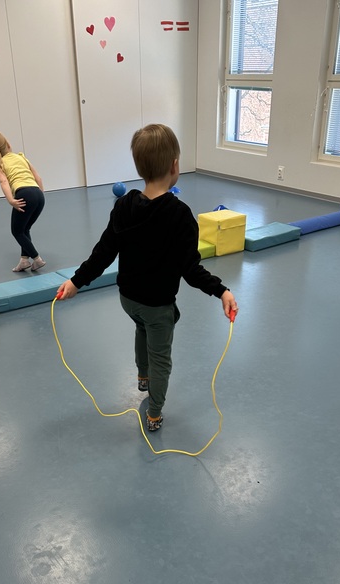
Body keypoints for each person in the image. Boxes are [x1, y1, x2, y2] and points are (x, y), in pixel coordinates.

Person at [57, 123, 237, 432]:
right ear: (174, 166)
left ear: (140, 168)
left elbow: (103, 252)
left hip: (128, 299)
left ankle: (143, 375)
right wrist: (221, 291)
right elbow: (190, 269)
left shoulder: (124, 205)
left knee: (141, 327)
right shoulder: (179, 215)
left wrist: (75, 281)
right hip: (157, 305)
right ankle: (154, 413)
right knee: (161, 357)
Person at [0, 132, 46, 272]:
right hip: (38, 194)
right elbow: (38, 178)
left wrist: (11, 200)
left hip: (24, 194)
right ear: (8, 144)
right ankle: (24, 261)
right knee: (25, 229)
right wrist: (39, 195)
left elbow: (4, 181)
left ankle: (37, 259)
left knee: (17, 231)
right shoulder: (21, 157)